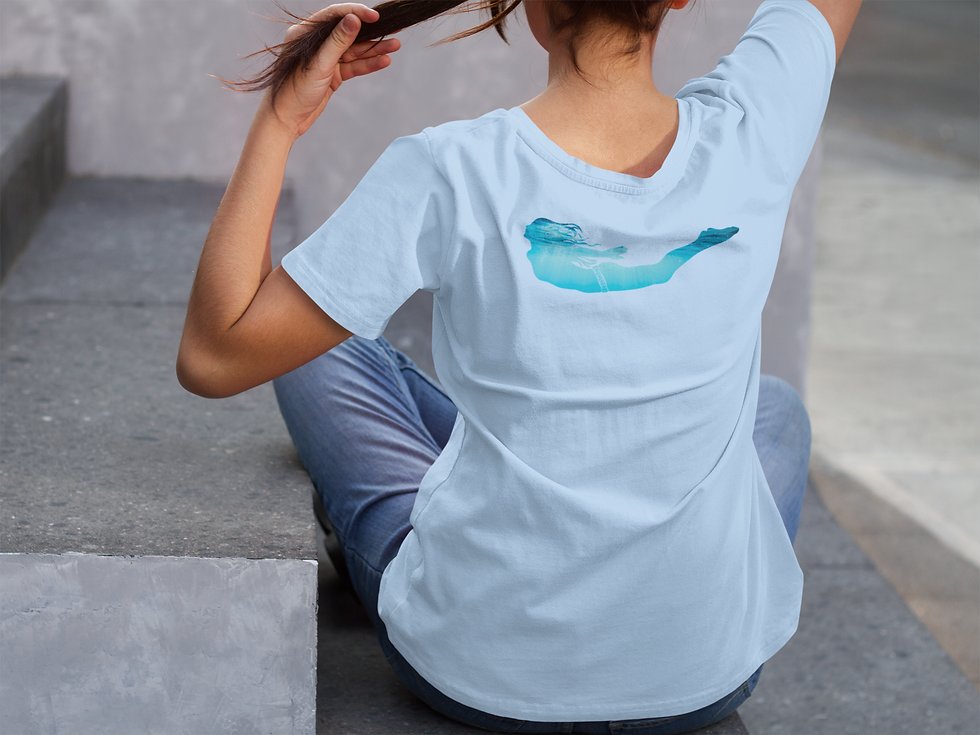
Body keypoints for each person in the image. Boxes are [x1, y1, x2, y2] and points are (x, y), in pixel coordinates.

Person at [176, 0, 861, 731]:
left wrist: (280, 117)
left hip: (475, 668)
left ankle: (454, 507)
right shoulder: (756, 123)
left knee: (319, 352)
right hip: (702, 677)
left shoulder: (452, 168)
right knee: (776, 408)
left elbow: (215, 356)